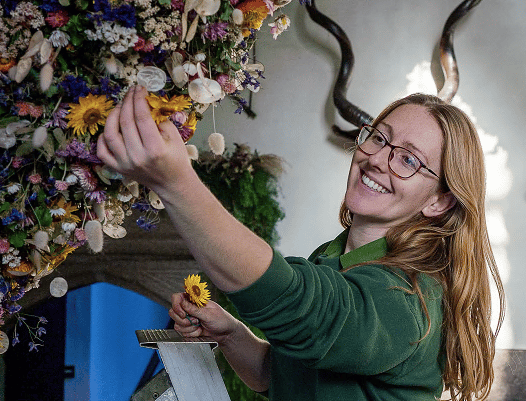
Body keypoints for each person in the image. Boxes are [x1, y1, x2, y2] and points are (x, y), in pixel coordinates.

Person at [97, 87, 504, 401]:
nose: (378, 159)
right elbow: (280, 377)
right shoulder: (331, 257)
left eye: (409, 160)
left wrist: (174, 182)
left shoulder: (409, 297)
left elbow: (295, 301)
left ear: (439, 200)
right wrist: (233, 334)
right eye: (379, 138)